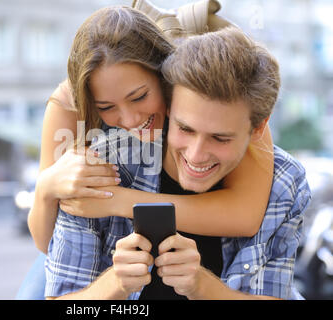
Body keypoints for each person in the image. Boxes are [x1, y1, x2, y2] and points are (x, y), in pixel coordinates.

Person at [21, 3, 275, 300]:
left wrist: (120, 201)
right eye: (106, 107)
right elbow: (45, 242)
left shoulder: (216, 99)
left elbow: (245, 216)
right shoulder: (69, 106)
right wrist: (46, 188)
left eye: (139, 97)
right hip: (94, 256)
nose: (129, 120)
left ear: (164, 75)